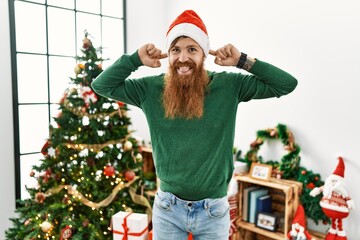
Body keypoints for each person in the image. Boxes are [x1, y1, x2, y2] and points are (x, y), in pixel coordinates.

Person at [92, 9, 298, 240]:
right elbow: (102, 86)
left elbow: (286, 84)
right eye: (175, 50)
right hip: (168, 209)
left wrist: (241, 60)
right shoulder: (149, 89)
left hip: (214, 211)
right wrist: (134, 60)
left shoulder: (230, 86)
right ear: (168, 55)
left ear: (204, 54)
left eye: (192, 49)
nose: (183, 58)